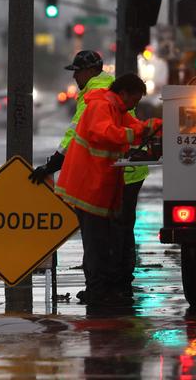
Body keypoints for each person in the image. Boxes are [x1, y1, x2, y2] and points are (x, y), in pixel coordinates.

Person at [28, 50, 150, 300]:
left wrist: (51, 166)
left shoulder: (95, 96)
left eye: (77, 72)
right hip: (129, 170)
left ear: (90, 71)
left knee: (102, 235)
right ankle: (120, 286)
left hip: (113, 173)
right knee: (122, 231)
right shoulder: (110, 89)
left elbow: (76, 135)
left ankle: (106, 288)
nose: (75, 78)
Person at [54, 73, 156, 307]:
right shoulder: (101, 106)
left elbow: (134, 127)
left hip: (99, 186)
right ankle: (98, 292)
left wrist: (153, 129)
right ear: (123, 94)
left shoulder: (115, 108)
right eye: (134, 100)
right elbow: (105, 134)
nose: (135, 106)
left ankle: (104, 289)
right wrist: (139, 133)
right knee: (97, 243)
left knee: (105, 240)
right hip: (87, 187)